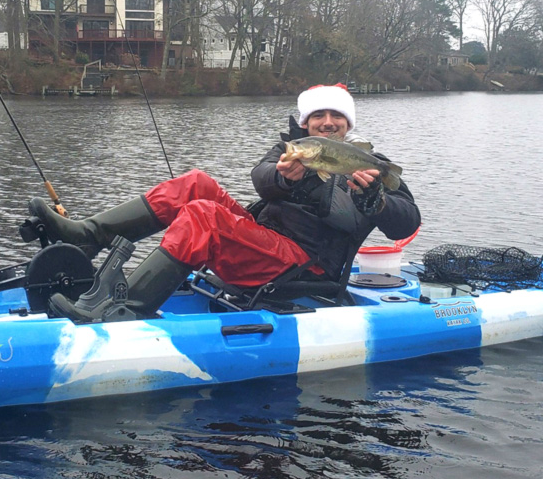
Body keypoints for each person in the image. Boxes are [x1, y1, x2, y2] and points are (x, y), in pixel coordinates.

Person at [29, 83, 420, 322]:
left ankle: (126, 309)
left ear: (348, 125)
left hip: (306, 264)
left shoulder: (370, 166)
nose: (328, 122)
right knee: (194, 184)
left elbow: (408, 221)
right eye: (319, 116)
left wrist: (377, 202)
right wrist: (284, 177)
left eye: (337, 116)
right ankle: (89, 236)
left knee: (204, 218)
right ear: (306, 123)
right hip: (267, 239)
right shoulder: (293, 150)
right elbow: (262, 178)